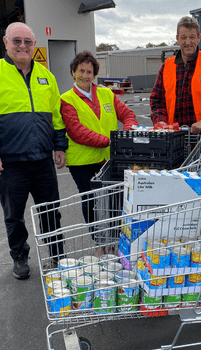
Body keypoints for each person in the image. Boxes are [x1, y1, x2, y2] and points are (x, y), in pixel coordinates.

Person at [0, 22, 67, 280]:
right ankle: (20, 257)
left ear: (34, 45)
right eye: (17, 41)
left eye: (28, 42)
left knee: (50, 211)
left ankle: (57, 256)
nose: (23, 46)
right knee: (14, 215)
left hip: (42, 159)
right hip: (9, 162)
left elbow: (56, 116)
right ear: (6, 42)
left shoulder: (46, 77)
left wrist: (60, 145)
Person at [60, 51, 138, 252]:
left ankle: (113, 238)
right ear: (73, 72)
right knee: (90, 200)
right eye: (81, 71)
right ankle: (98, 240)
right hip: (82, 162)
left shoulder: (106, 94)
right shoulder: (66, 100)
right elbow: (77, 132)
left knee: (116, 198)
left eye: (89, 71)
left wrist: (128, 131)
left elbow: (127, 114)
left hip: (107, 158)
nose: (85, 75)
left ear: (94, 74)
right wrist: (112, 142)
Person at [150, 16, 201, 151]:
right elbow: (157, 100)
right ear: (177, 38)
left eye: (192, 37)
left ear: (199, 37)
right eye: (183, 37)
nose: (188, 42)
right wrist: (160, 121)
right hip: (175, 141)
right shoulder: (167, 66)